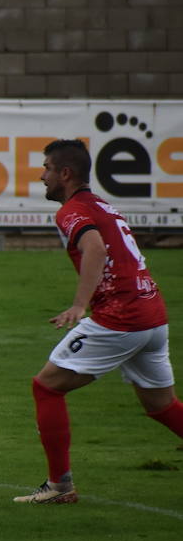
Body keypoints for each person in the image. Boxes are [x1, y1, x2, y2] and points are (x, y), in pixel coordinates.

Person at [18, 138, 183, 504]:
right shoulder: (103, 206)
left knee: (46, 387)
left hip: (121, 317)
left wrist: (79, 305)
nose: (41, 176)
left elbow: (95, 247)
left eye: (46, 168)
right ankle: (60, 485)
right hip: (152, 316)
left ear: (65, 173)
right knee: (161, 406)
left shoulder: (72, 210)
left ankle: (60, 486)